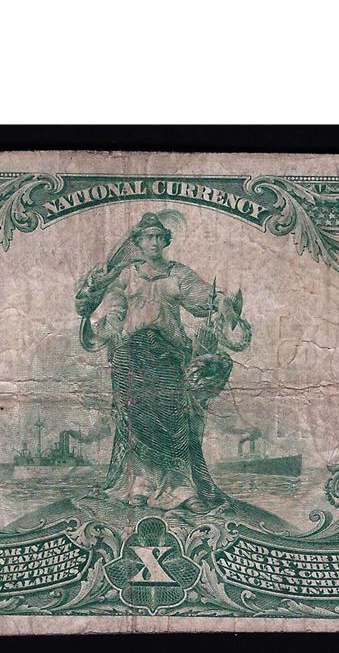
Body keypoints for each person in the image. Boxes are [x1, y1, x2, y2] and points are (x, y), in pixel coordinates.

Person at [76, 212, 247, 513]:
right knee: (138, 422)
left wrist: (221, 302)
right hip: (131, 356)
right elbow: (114, 313)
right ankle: (139, 486)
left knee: (174, 422)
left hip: (168, 355)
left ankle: (181, 489)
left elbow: (203, 299)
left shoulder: (177, 274)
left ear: (166, 241)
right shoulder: (126, 275)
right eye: (148, 237)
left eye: (158, 237)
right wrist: (100, 325)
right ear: (139, 242)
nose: (154, 242)